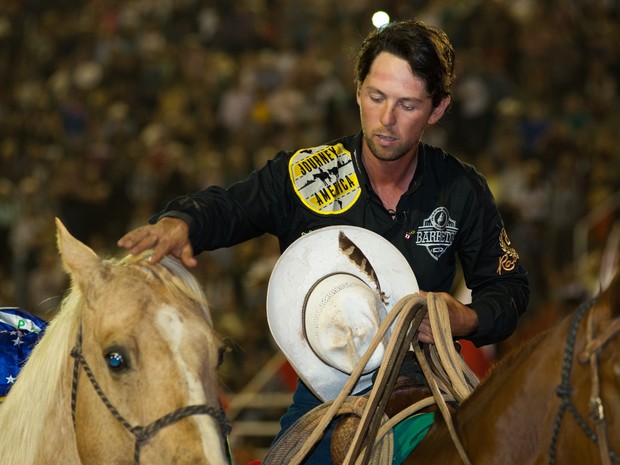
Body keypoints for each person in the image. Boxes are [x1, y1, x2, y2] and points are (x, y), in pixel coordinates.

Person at [118, 18, 529, 464]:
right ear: (357, 91)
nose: (386, 120)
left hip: (425, 385)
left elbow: (510, 290)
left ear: (438, 109)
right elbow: (232, 207)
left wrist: (464, 319)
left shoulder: (462, 189)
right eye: (376, 98)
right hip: (324, 394)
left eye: (408, 105)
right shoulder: (308, 175)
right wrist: (182, 222)